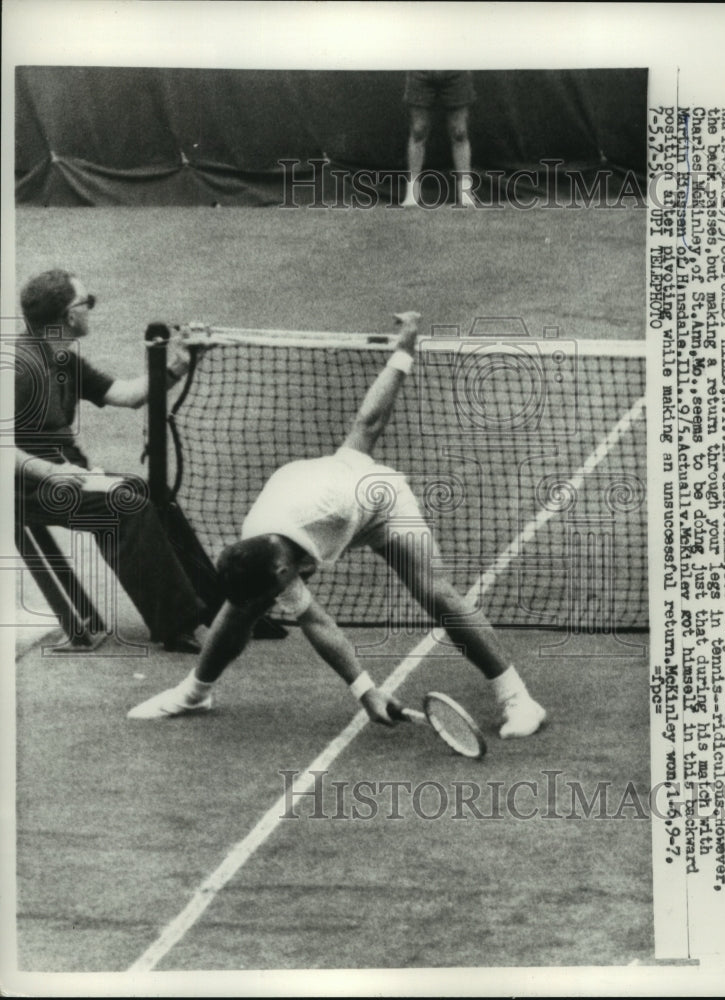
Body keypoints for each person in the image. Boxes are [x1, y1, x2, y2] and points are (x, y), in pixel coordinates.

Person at [128, 312, 546, 739]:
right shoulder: (259, 546)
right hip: (308, 526)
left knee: (435, 593)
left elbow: (366, 426)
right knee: (242, 605)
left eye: (281, 587)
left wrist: (403, 353)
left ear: (282, 571)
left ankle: (518, 699)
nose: (284, 596)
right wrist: (366, 690)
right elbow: (311, 617)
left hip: (378, 504)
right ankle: (195, 691)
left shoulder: (337, 500)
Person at [15, 268, 205, 653]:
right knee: (125, 505)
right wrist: (51, 472)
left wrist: (181, 362)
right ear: (69, 315)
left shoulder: (63, 358)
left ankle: (217, 605)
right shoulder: (21, 367)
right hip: (23, 486)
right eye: (89, 303)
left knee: (149, 491)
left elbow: (128, 394)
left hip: (63, 475)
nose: (92, 310)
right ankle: (176, 623)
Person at [401, 71, 477, 208]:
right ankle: (412, 195)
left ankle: (466, 193)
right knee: (418, 130)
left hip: (455, 68)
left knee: (459, 131)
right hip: (421, 68)